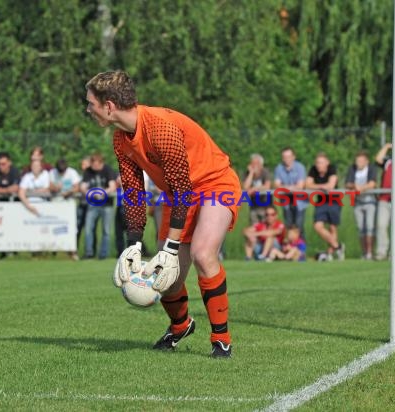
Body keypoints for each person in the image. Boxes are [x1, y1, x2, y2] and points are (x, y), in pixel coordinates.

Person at [86, 70, 241, 358]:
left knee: (203, 254)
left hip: (214, 183)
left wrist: (170, 247)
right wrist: (133, 244)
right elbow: (134, 193)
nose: (88, 109)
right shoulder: (121, 139)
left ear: (108, 106)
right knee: (165, 277)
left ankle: (221, 339)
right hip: (177, 194)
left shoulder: (161, 128)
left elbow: (184, 188)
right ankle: (180, 325)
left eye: (91, 103)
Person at [305, 152, 344, 261]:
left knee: (332, 227)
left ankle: (330, 253)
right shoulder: (313, 170)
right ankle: (337, 246)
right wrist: (322, 186)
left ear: (327, 163)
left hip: (334, 200)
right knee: (318, 226)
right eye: (317, 163)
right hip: (321, 201)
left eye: (321, 163)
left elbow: (331, 186)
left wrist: (316, 187)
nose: (319, 165)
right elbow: (307, 185)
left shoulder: (332, 169)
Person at [80, 153, 116, 260]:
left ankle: (103, 254)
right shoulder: (88, 171)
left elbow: (112, 186)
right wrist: (90, 193)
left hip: (107, 205)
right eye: (92, 164)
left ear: (101, 163)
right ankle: (89, 253)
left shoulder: (108, 170)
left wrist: (102, 193)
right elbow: (83, 187)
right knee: (88, 229)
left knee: (106, 231)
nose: (94, 167)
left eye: (95, 165)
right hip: (93, 204)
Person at [345, 151, 377, 260]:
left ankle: (369, 252)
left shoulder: (371, 169)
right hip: (357, 202)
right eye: (357, 161)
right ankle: (364, 252)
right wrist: (354, 185)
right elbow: (347, 183)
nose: (358, 163)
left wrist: (360, 188)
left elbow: (372, 184)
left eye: (361, 161)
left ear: (366, 161)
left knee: (369, 227)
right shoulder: (352, 169)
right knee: (360, 228)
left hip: (370, 202)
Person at [274, 147, 308, 238]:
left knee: (298, 225)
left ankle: (301, 248)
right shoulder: (279, 168)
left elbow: (300, 186)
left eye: (289, 156)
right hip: (286, 202)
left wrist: (284, 187)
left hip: (300, 201)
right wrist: (291, 187)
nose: (287, 159)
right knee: (288, 225)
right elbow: (277, 185)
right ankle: (289, 247)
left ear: (294, 157)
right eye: (284, 157)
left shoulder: (300, 167)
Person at [374, 143, 393, 260]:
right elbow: (378, 159)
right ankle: (382, 252)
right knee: (381, 225)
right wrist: (387, 146)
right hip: (384, 199)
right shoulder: (389, 161)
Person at [242, 153, 272, 224]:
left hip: (266, 205)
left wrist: (254, 189)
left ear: (261, 165)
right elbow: (245, 187)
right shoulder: (247, 173)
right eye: (252, 163)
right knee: (254, 225)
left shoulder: (265, 172)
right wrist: (251, 173)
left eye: (256, 163)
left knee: (265, 225)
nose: (254, 165)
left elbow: (267, 186)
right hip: (253, 205)